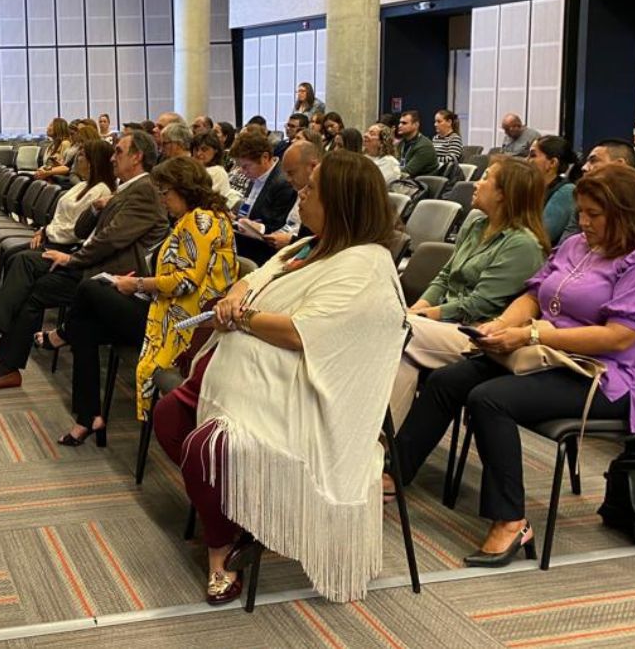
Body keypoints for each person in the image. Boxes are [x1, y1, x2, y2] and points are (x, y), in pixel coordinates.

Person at [391, 165, 635, 567]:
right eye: (580, 212)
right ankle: (396, 474)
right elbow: (533, 296)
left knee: (490, 400)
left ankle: (511, 521)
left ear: (627, 213)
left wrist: (533, 336)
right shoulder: (577, 247)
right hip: (549, 358)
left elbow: (617, 337)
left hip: (605, 379)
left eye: (593, 214)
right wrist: (501, 327)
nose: (582, 222)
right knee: (449, 379)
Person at [153, 151, 407, 604]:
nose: (300, 195)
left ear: (342, 204)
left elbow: (300, 332)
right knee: (171, 418)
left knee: (204, 448)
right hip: (243, 374)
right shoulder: (310, 246)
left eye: (311, 191)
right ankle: (242, 517)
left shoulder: (364, 266)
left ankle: (222, 546)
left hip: (300, 396)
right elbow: (254, 280)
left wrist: (243, 319)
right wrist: (236, 295)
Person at [0, 132, 168, 390]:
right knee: (26, 269)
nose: (113, 157)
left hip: (107, 277)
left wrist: (71, 259)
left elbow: (109, 241)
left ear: (137, 157)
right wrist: (95, 209)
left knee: (28, 274)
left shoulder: (143, 191)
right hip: (90, 263)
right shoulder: (125, 188)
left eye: (119, 152)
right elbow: (83, 231)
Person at [45, 157, 238, 445]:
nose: (163, 200)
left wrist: (135, 284)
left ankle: (62, 337)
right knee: (84, 326)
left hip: (179, 325)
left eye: (166, 193)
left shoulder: (201, 221)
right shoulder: (200, 217)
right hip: (165, 309)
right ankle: (89, 417)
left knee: (89, 289)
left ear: (185, 190)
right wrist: (141, 285)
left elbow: (184, 281)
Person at [390, 158, 550, 423]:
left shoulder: (522, 245)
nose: (477, 182)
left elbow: (480, 304)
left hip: (477, 334)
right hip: (442, 326)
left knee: (400, 331)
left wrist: (425, 316)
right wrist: (417, 309)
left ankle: (381, 445)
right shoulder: (477, 226)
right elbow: (444, 276)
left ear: (503, 194)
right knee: (402, 355)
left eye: (486, 178)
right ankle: (385, 447)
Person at [30, 140, 115, 249]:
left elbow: (75, 230)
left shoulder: (101, 190)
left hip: (65, 247)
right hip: (53, 238)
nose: (77, 159)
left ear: (92, 162)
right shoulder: (83, 185)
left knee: (20, 258)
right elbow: (61, 219)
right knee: (12, 254)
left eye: (81, 155)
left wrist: (46, 232)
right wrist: (43, 231)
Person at [230, 131, 296, 264]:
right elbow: (247, 209)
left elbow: (276, 228)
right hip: (245, 239)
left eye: (246, 166)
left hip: (262, 251)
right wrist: (235, 218)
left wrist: (255, 226)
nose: (242, 171)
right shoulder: (256, 174)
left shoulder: (283, 183)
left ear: (265, 157)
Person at [255, 139, 321, 260]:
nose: (288, 179)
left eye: (291, 173)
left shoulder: (322, 201)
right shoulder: (295, 190)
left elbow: (319, 244)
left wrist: (291, 242)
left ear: (313, 166)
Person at [528, 135, 579, 245]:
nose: (526, 160)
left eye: (533, 155)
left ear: (552, 163)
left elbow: (541, 236)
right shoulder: (532, 188)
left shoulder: (566, 191)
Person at [191, 131, 239, 207]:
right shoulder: (192, 169)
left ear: (216, 151)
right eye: (196, 149)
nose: (198, 153)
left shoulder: (217, 172)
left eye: (204, 150)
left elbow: (203, 201)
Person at [396, 110, 440, 177]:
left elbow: (407, 172)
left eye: (404, 123)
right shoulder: (400, 144)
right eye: (400, 123)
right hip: (406, 181)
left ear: (416, 125)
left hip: (422, 184)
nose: (399, 126)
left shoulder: (424, 146)